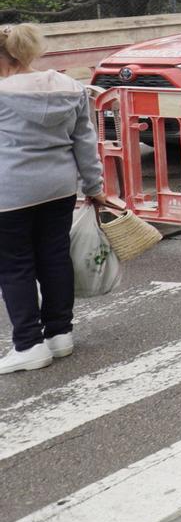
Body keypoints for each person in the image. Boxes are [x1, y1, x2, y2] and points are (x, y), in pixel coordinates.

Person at [0, 23, 105, 374]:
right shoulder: (69, 87)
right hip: (60, 188)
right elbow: (85, 140)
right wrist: (94, 186)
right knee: (55, 257)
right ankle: (60, 334)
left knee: (15, 266)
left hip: (9, 192)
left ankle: (29, 344)